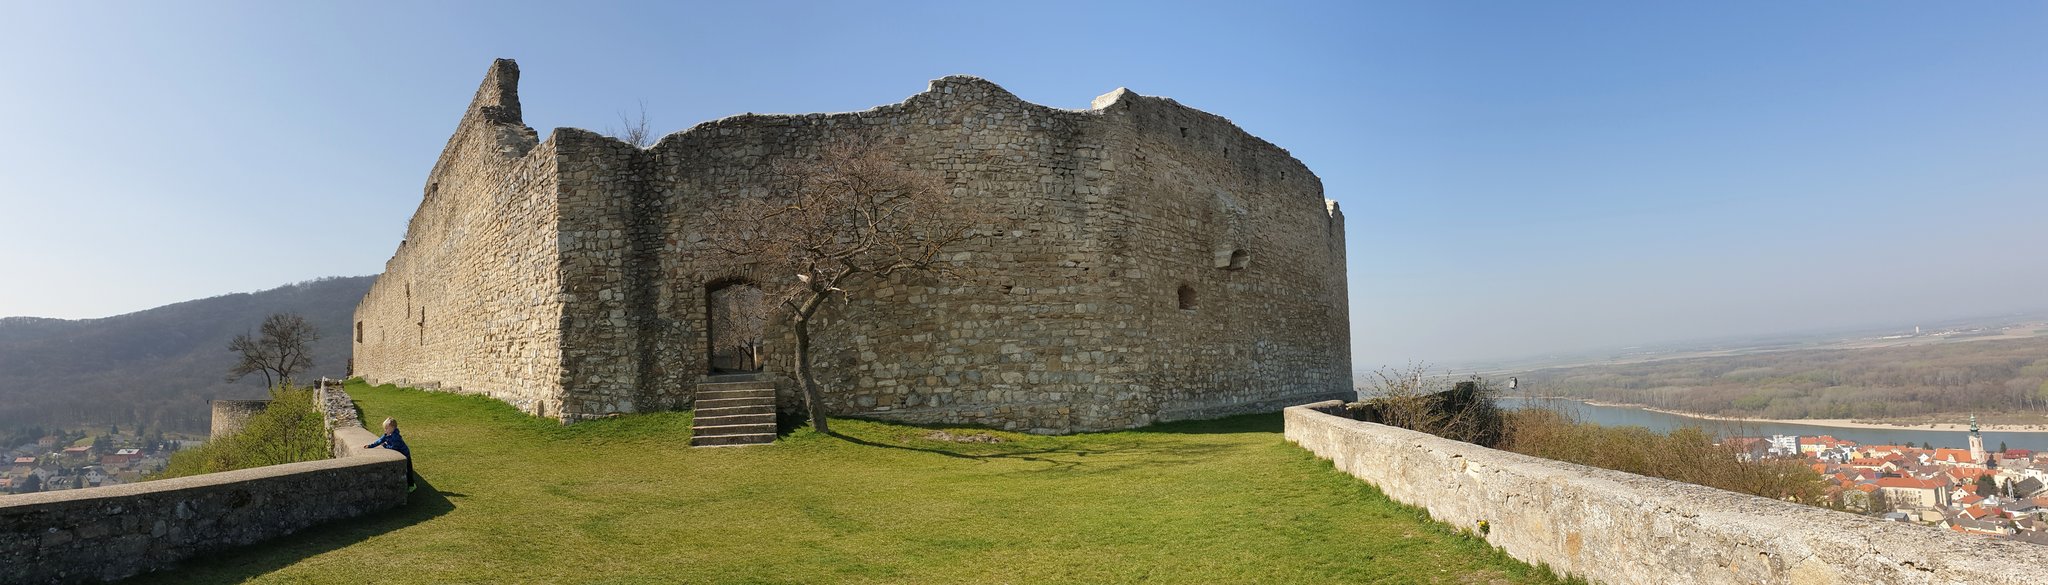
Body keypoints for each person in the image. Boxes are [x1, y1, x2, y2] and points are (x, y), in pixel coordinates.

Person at [364, 417, 417, 492]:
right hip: (402, 452)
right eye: (385, 428)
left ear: (393, 428)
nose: (385, 430)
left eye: (387, 428)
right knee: (406, 470)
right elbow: (380, 441)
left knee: (408, 470)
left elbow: (393, 447)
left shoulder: (396, 437)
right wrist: (370, 446)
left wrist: (385, 445)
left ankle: (412, 485)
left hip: (405, 454)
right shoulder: (387, 434)